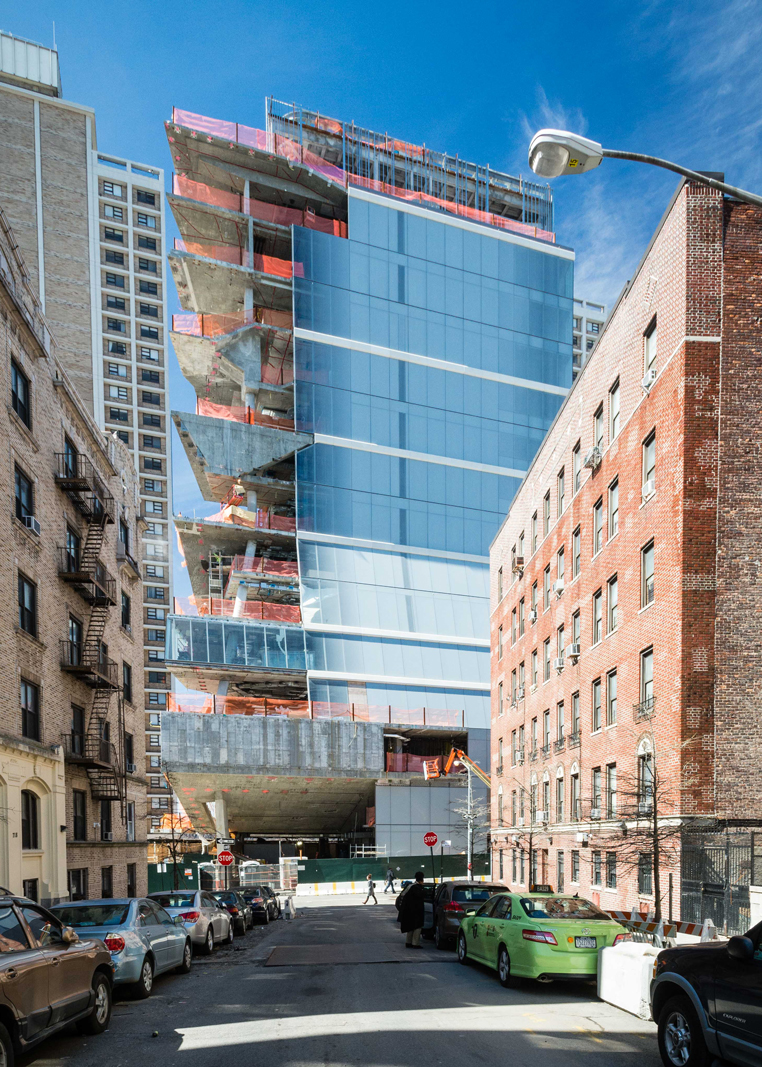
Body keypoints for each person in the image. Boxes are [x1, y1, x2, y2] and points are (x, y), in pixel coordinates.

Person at [397, 870, 425, 947]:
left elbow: (402, 895)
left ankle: (408, 942)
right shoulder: (418, 888)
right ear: (422, 879)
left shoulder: (409, 886)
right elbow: (422, 897)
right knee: (417, 927)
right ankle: (415, 943)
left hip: (407, 911)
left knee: (410, 927)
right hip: (417, 912)